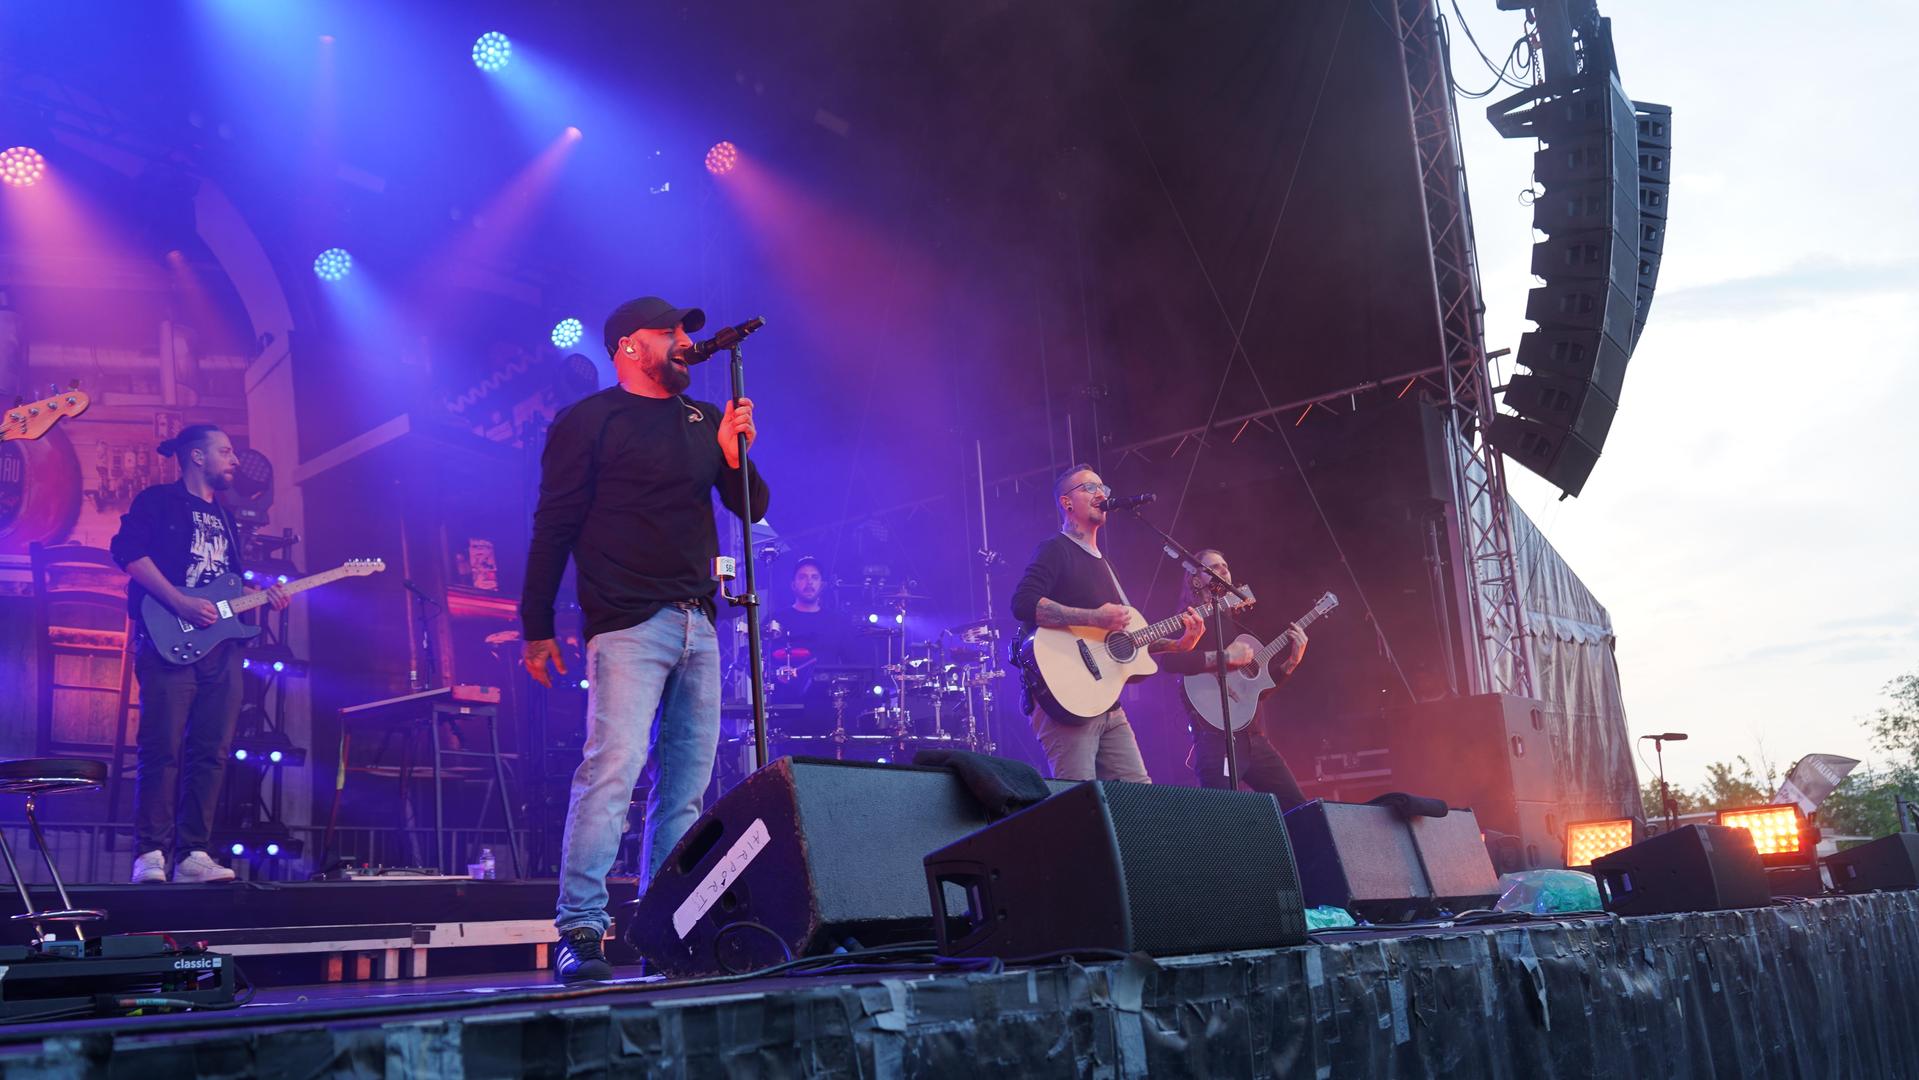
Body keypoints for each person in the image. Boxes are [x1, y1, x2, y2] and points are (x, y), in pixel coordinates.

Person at [520, 296, 769, 984]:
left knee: (686, 788)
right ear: (631, 346)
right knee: (612, 769)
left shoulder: (701, 419)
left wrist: (734, 454)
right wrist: (536, 624)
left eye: (688, 332)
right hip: (628, 622)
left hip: (699, 620)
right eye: (674, 333)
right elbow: (554, 524)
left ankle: (666, 926)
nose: (687, 342)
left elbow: (752, 506)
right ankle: (580, 927)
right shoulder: (588, 422)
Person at [109, 424, 288, 885]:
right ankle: (150, 852)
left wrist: (259, 595)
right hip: (167, 636)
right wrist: (179, 602)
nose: (234, 460)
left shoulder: (227, 517)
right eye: (225, 451)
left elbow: (223, 589)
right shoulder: (158, 501)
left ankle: (193, 853)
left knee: (212, 752)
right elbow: (126, 551)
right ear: (195, 456)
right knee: (162, 748)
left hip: (220, 651)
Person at [1009, 463, 1202, 782]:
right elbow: (1023, 603)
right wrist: (1093, 617)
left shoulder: (1104, 564)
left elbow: (1131, 640)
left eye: (1104, 488)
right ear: (1066, 502)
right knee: (1078, 804)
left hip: (1108, 705)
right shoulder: (1056, 549)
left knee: (1139, 799)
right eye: (1090, 487)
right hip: (1065, 700)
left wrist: (1178, 645)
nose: (1101, 493)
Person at [1167, 549, 1311, 808]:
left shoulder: (1233, 624)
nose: (1224, 571)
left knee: (1299, 808)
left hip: (1253, 739)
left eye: (1226, 565)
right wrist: (1222, 657)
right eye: (1214, 567)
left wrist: (1291, 663)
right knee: (1226, 818)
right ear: (1196, 580)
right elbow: (1170, 659)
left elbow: (1253, 692)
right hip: (1215, 742)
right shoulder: (1190, 620)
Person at [764, 556, 853, 733]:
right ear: (793, 584)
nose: (809, 582)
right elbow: (759, 662)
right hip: (787, 709)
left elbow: (853, 664)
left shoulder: (837, 621)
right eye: (803, 577)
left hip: (829, 708)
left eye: (814, 577)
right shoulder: (777, 620)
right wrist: (776, 676)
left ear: (823, 584)